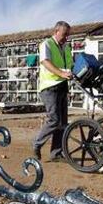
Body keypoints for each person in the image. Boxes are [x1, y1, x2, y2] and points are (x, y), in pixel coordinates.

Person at [32, 21, 73, 161]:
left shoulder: (66, 48)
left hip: (62, 86)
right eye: (64, 34)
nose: (66, 37)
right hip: (49, 87)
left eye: (68, 35)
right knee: (54, 119)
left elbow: (70, 66)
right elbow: (45, 61)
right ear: (56, 31)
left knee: (62, 123)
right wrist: (61, 73)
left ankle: (56, 153)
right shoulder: (47, 44)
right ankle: (37, 143)